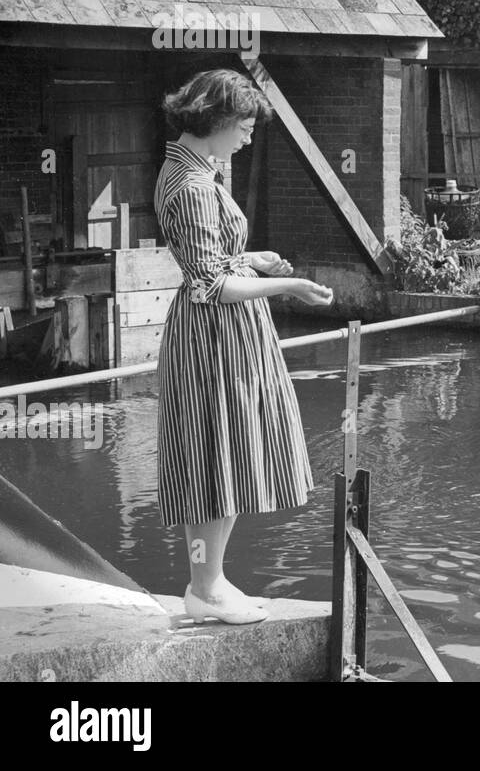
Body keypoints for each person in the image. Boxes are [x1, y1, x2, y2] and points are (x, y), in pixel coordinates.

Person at [154, 68, 333, 624]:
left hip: (222, 334)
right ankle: (205, 588)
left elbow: (206, 261)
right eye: (246, 127)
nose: (250, 137)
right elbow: (212, 286)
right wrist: (291, 286)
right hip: (215, 339)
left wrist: (251, 258)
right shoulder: (192, 187)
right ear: (220, 119)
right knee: (216, 457)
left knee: (224, 455)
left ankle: (210, 582)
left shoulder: (193, 170)